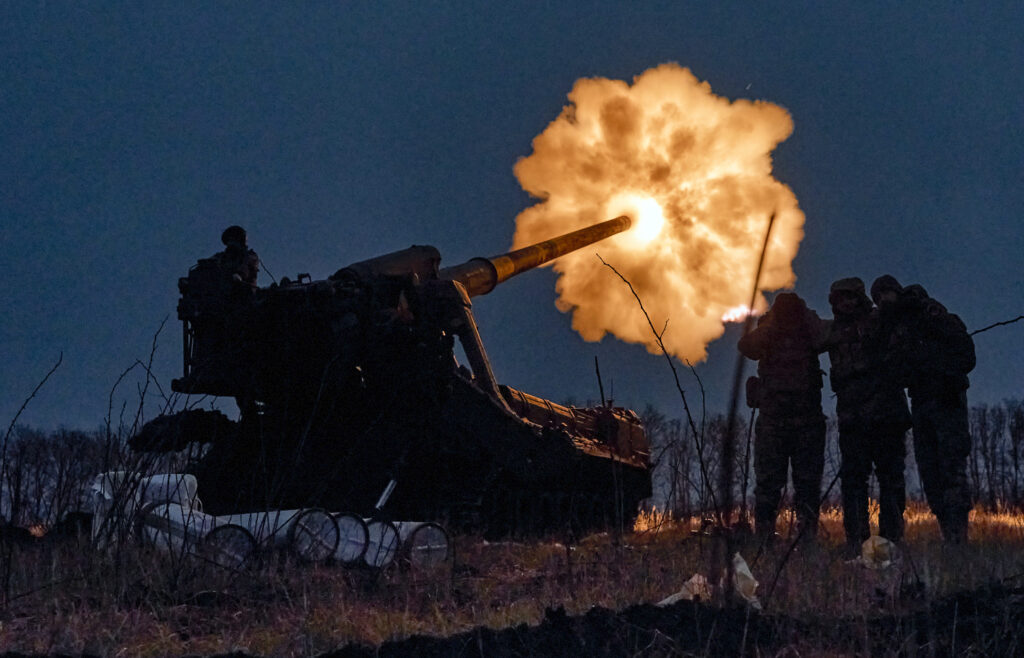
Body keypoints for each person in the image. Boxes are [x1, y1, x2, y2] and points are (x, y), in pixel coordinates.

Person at [871, 275, 975, 543]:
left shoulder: (927, 312)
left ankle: (958, 539)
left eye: (885, 294)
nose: (882, 301)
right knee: (930, 472)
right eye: (877, 298)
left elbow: (964, 353)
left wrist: (936, 367)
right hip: (921, 402)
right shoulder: (892, 327)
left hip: (946, 400)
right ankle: (948, 534)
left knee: (951, 469)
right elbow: (891, 368)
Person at [822, 278, 911, 555]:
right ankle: (856, 541)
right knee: (853, 481)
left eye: (850, 297)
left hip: (886, 417)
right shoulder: (832, 331)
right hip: (852, 420)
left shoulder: (880, 321)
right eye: (840, 299)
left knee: (891, 479)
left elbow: (899, 354)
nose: (846, 303)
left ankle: (891, 541)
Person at [739, 292, 827, 544]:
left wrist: (804, 317)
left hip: (806, 421)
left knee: (807, 484)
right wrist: (772, 324)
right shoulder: (769, 330)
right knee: (768, 484)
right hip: (774, 422)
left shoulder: (809, 329)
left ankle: (806, 539)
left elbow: (824, 337)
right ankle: (765, 538)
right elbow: (747, 346)